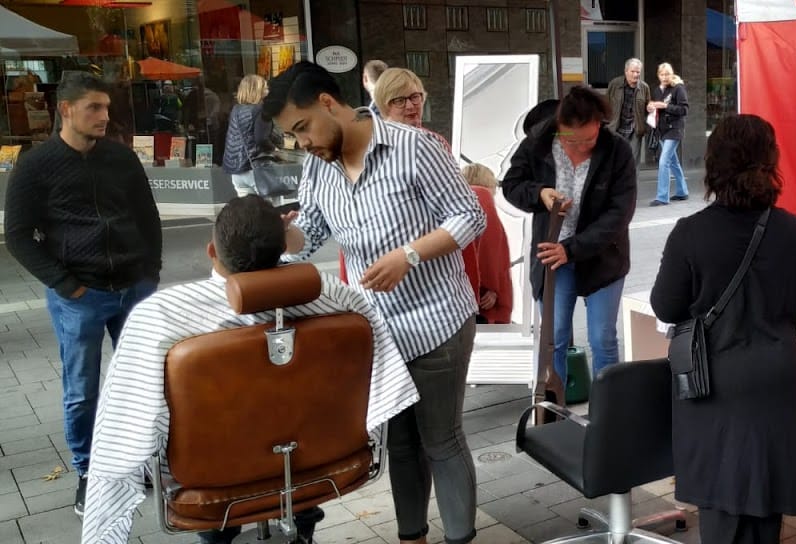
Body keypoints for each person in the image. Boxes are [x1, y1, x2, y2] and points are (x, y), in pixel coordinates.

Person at [79, 196, 420, 544]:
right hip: (319, 467)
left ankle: (219, 536)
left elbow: (122, 436)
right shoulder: (339, 299)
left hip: (214, 484)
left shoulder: (160, 318)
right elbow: (384, 386)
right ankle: (303, 529)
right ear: (284, 247)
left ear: (212, 250)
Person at [264, 61, 486, 544]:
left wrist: (409, 255)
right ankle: (412, 538)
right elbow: (309, 237)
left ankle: (460, 539)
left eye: (302, 128)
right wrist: (275, 234)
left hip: (437, 322)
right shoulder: (318, 169)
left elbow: (470, 216)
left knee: (441, 439)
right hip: (378, 331)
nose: (302, 142)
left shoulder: (415, 147)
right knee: (401, 445)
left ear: (328, 103)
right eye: (292, 136)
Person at [649, 114, 796, 544]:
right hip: (776, 375)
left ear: (714, 164)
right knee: (766, 491)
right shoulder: (795, 231)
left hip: (715, 379)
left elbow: (666, 306)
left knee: (721, 497)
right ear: (770, 163)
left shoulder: (690, 233)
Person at [3, 71, 162, 517]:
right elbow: (17, 235)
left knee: (141, 382)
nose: (104, 116)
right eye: (94, 107)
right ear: (66, 110)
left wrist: (149, 273)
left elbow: (147, 217)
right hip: (80, 295)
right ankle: (90, 471)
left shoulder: (121, 159)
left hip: (134, 287)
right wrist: (65, 284)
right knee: (82, 390)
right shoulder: (35, 166)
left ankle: (135, 460)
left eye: (107, 108)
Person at [501, 86, 637, 382]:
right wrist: (540, 194)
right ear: (558, 128)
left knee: (603, 339)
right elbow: (511, 185)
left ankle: (608, 417)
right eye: (570, 141)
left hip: (603, 256)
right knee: (554, 339)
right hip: (552, 254)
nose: (580, 149)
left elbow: (620, 213)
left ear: (600, 123)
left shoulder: (617, 150)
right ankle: (552, 416)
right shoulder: (536, 143)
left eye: (589, 139)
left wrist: (573, 248)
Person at [460, 164, 513, 324]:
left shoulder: (455, 202)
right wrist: (493, 288)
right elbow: (490, 249)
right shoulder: (482, 198)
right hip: (481, 299)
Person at [222, 75, 281, 203]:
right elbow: (261, 138)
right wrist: (274, 149)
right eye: (265, 87)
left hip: (237, 169)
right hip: (257, 166)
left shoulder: (236, 110)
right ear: (257, 90)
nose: (268, 91)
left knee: (250, 211)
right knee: (274, 209)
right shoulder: (261, 110)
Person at [373, 67, 451, 152]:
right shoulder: (372, 146)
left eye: (414, 97)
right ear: (384, 106)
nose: (410, 106)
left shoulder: (436, 142)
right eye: (400, 100)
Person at [647, 62, 690, 206]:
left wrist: (665, 106)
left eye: (667, 74)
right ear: (658, 75)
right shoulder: (657, 90)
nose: (664, 77)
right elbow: (657, 109)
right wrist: (651, 107)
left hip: (674, 128)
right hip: (662, 130)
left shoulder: (678, 88)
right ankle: (682, 191)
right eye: (662, 74)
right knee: (673, 162)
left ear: (671, 74)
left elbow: (684, 110)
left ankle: (662, 197)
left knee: (664, 161)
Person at [605, 58, 651, 166]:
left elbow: (648, 106)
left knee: (633, 162)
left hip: (635, 130)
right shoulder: (614, 84)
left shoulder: (644, 87)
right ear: (626, 71)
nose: (635, 75)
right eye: (632, 71)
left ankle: (631, 183)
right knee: (615, 160)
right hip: (616, 129)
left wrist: (650, 108)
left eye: (638, 72)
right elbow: (606, 105)